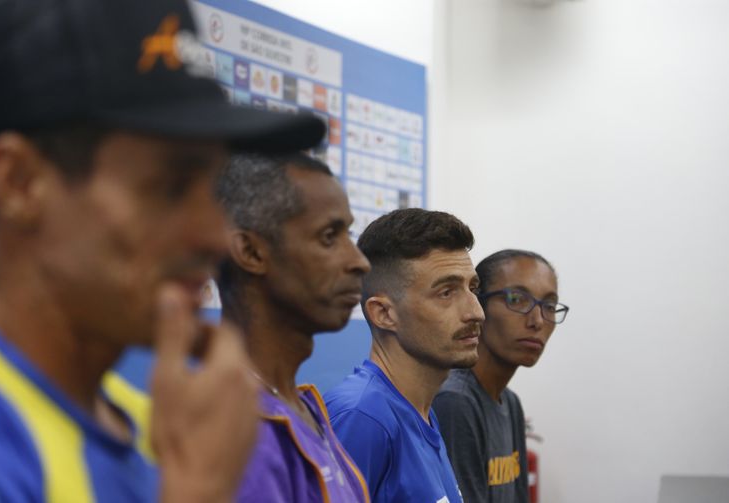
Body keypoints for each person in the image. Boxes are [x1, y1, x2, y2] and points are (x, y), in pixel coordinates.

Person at [0, 0, 325, 501]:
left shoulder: (142, 426)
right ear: (19, 182)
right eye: (172, 186)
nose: (214, 235)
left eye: (215, 188)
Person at [215, 152, 372, 503]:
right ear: (251, 252)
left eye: (348, 234)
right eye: (329, 237)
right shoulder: (237, 433)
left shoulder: (301, 406)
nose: (359, 261)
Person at [324, 208, 485, 503]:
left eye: (472, 288)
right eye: (446, 292)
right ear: (384, 313)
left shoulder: (419, 411)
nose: (475, 312)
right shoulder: (361, 417)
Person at [432, 250, 570, 503]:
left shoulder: (511, 404)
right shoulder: (455, 401)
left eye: (549, 306)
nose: (537, 321)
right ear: (477, 305)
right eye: (517, 299)